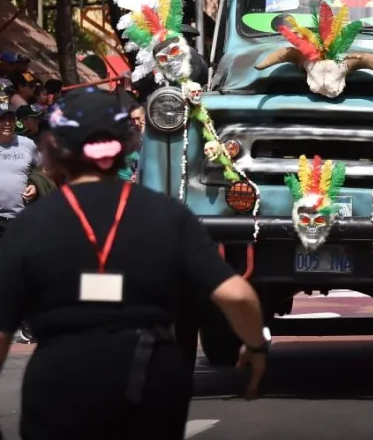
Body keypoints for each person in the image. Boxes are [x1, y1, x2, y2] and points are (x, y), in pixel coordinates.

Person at [0, 89, 269, 439]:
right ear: (127, 143)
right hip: (149, 377)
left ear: (52, 148)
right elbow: (237, 295)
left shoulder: (29, 225)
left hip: (61, 379)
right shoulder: (169, 215)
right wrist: (256, 347)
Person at [0, 96, 38, 231]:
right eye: (2, 119)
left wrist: (35, 185)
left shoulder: (27, 144)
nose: (7, 123)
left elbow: (43, 170)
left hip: (21, 219)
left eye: (10, 119)